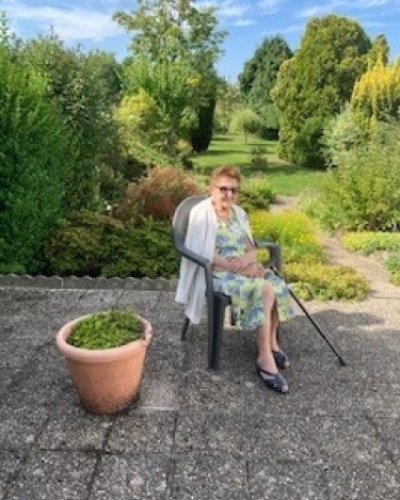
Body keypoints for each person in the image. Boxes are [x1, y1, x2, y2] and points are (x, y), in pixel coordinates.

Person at [175, 165, 294, 394]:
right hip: (216, 273)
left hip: (241, 268)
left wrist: (250, 262)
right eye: (223, 189)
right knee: (265, 289)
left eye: (234, 190)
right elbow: (202, 252)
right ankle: (264, 358)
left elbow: (250, 246)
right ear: (212, 188)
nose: (229, 194)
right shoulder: (201, 214)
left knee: (277, 283)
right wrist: (241, 269)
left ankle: (272, 342)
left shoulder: (238, 213)